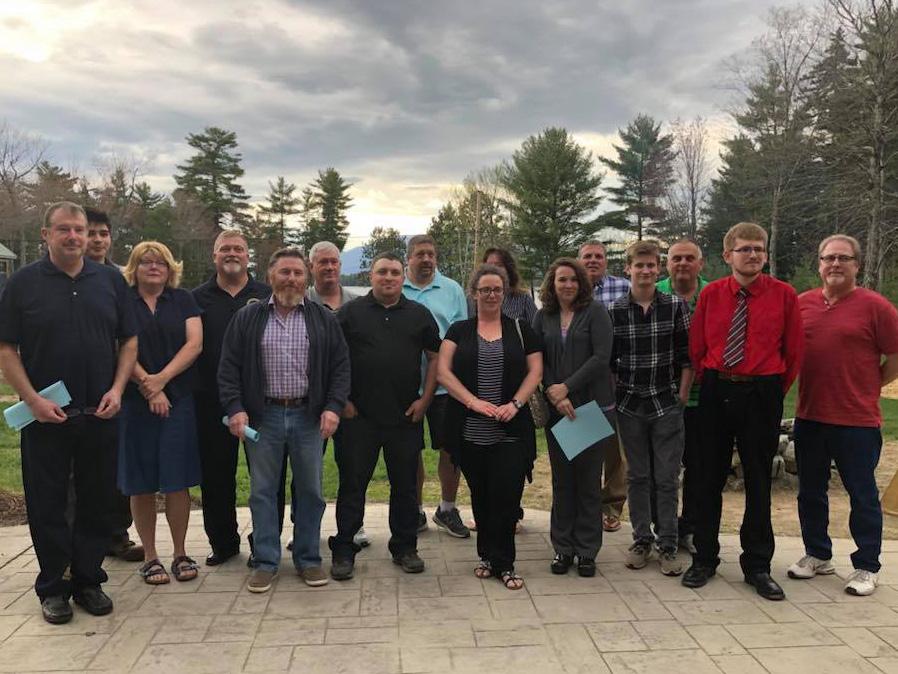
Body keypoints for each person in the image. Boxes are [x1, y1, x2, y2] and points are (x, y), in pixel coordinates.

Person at [0, 202, 137, 624]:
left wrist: (117, 389)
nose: (75, 237)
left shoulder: (110, 282)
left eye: (80, 229)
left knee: (97, 501)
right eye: (65, 229)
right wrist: (32, 400)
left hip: (100, 413)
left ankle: (88, 580)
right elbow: (6, 348)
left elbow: (129, 341)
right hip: (46, 417)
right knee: (49, 505)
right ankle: (53, 587)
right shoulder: (23, 284)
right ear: (46, 234)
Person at [683, 222, 803, 601]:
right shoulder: (712, 294)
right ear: (727, 255)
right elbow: (697, 346)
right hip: (717, 389)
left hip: (761, 393)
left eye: (758, 249)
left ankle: (757, 565)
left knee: (758, 479)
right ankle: (704, 558)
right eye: (744, 249)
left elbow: (793, 353)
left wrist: (770, 390)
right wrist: (715, 380)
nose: (752, 255)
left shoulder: (784, 295)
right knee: (707, 478)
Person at [219, 247, 350, 593]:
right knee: (263, 492)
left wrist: (333, 407)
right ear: (270, 276)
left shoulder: (323, 318)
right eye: (284, 272)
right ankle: (265, 561)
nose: (291, 278)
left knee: (311, 491)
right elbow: (228, 367)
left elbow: (340, 367)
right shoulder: (248, 318)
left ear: (306, 277)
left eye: (297, 273)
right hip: (264, 417)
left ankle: (308, 559)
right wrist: (235, 408)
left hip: (309, 417)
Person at [789, 235, 898, 596]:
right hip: (810, 416)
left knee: (862, 495)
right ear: (819, 264)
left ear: (857, 265)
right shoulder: (802, 304)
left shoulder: (876, 306)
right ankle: (818, 554)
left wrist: (871, 384)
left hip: (857, 421)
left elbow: (895, 355)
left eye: (843, 258)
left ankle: (867, 566)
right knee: (810, 492)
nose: (835, 264)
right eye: (828, 258)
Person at [330, 252, 440, 580]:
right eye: (382, 272)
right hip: (358, 418)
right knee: (352, 485)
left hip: (405, 417)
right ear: (371, 276)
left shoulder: (419, 315)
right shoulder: (350, 313)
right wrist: (342, 400)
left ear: (403, 277)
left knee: (405, 487)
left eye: (394, 272)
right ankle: (344, 549)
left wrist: (425, 399)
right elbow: (331, 357)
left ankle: (405, 547)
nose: (388, 277)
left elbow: (436, 357)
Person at [438, 264, 542, 590]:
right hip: (471, 430)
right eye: (485, 289)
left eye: (497, 289)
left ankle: (505, 563)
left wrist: (516, 404)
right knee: (481, 496)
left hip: (511, 429)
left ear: (505, 292)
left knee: (507, 498)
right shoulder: (459, 330)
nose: (491, 295)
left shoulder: (521, 329)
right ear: (474, 293)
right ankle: (486, 555)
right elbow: (443, 372)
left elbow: (535, 371)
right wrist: (473, 402)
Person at [119, 241, 203, 586]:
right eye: (146, 262)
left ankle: (180, 553)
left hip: (178, 400)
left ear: (170, 269)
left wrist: (162, 380)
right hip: (135, 402)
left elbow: (194, 344)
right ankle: (150, 557)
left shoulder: (183, 300)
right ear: (134, 268)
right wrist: (149, 387)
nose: (154, 267)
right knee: (141, 483)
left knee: (176, 481)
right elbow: (119, 345)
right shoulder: (122, 301)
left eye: (161, 263)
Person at [608, 241, 692, 577]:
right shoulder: (615, 310)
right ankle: (641, 539)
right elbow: (610, 361)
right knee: (637, 476)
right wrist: (616, 396)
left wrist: (681, 396)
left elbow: (687, 357)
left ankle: (668, 543)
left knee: (667, 478)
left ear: (659, 269)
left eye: (651, 265)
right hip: (629, 405)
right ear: (628, 268)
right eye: (639, 265)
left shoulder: (675, 307)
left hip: (665, 404)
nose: (645, 271)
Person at [532, 258, 615, 577]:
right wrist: (555, 392)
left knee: (589, 482)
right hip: (558, 411)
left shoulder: (595, 312)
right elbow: (536, 358)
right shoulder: (543, 316)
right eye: (561, 280)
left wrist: (567, 388)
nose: (567, 285)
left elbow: (601, 357)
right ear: (552, 284)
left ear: (582, 283)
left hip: (590, 408)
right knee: (563, 481)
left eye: (573, 280)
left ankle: (587, 551)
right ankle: (563, 548)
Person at [192, 230, 270, 566]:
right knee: (215, 477)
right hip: (211, 401)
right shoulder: (196, 299)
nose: (232, 253)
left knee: (265, 479)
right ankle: (223, 543)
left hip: (261, 402)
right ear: (214, 256)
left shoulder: (266, 295)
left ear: (248, 256)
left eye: (238, 248)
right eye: (225, 248)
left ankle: (263, 543)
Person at [79, 207, 144, 562]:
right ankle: (81, 539)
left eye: (103, 233)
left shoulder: (120, 279)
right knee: (79, 470)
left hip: (118, 386)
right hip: (74, 389)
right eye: (90, 233)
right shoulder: (62, 278)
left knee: (116, 464)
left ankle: (117, 535)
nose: (97, 240)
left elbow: (128, 335)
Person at [402, 235, 470, 538]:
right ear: (409, 258)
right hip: (406, 386)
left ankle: (447, 508)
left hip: (445, 385)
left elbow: (461, 335)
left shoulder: (452, 289)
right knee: (410, 450)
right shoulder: (397, 286)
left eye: (431, 254)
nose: (427, 259)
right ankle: (415, 511)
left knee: (450, 448)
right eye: (420, 254)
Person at [305, 240, 366, 548]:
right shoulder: (300, 301)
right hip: (310, 403)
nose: (329, 267)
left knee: (353, 469)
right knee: (307, 472)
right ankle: (305, 529)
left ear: (340, 266)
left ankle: (353, 527)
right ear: (311, 266)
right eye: (323, 262)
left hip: (350, 403)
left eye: (334, 262)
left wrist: (345, 399)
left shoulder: (358, 304)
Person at [656, 239, 710, 552]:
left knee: (698, 468)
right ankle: (662, 527)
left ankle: (689, 527)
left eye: (690, 258)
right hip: (660, 396)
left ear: (700, 264)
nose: (683, 263)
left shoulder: (713, 294)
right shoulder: (655, 293)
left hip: (703, 397)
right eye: (676, 258)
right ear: (667, 263)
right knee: (660, 468)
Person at [578, 240, 629, 533]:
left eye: (599, 256)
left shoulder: (623, 288)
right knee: (582, 445)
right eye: (587, 256)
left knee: (614, 449)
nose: (593, 261)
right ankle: (584, 505)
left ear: (606, 261)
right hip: (581, 381)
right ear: (579, 260)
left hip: (615, 379)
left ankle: (610, 507)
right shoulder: (571, 288)